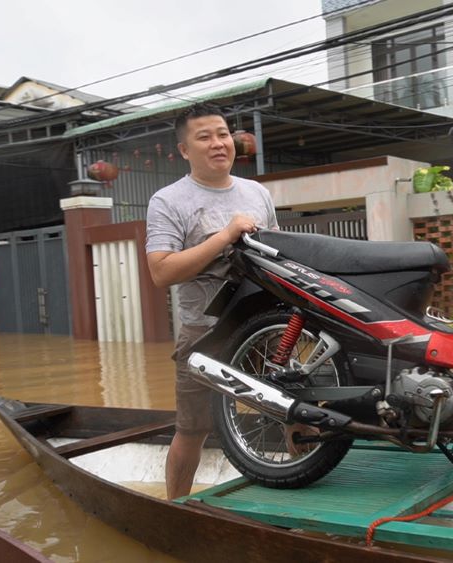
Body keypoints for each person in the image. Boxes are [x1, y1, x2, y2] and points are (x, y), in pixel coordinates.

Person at [145, 103, 278, 499]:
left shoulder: (257, 192)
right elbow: (161, 272)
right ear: (185, 150)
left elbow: (277, 258)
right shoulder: (168, 201)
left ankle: (302, 496)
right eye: (205, 137)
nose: (218, 143)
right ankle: (176, 507)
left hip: (263, 327)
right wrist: (224, 236)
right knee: (192, 427)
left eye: (223, 134)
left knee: (291, 413)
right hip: (204, 332)